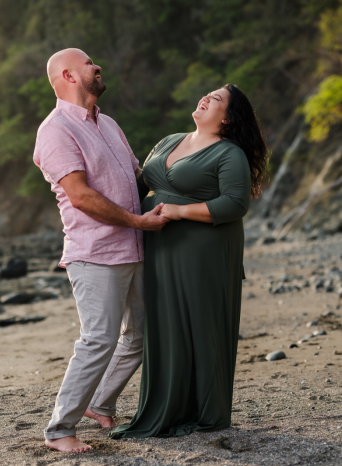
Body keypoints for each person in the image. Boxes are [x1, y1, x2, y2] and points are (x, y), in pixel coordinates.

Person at [109, 84, 268, 438]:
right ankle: (165, 408)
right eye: (207, 93)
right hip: (161, 247)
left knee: (200, 326)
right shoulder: (169, 141)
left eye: (217, 98)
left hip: (204, 250)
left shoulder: (229, 154)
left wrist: (180, 211)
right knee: (164, 327)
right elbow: (136, 185)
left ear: (227, 118)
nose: (206, 97)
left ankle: (204, 412)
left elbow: (235, 204)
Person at [33, 48, 169, 453]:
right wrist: (139, 222)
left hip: (135, 247)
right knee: (98, 339)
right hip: (94, 253)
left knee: (140, 337)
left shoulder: (108, 123)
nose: (98, 67)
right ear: (69, 76)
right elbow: (80, 196)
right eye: (90, 63)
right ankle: (60, 430)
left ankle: (99, 402)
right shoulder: (55, 129)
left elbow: (138, 176)